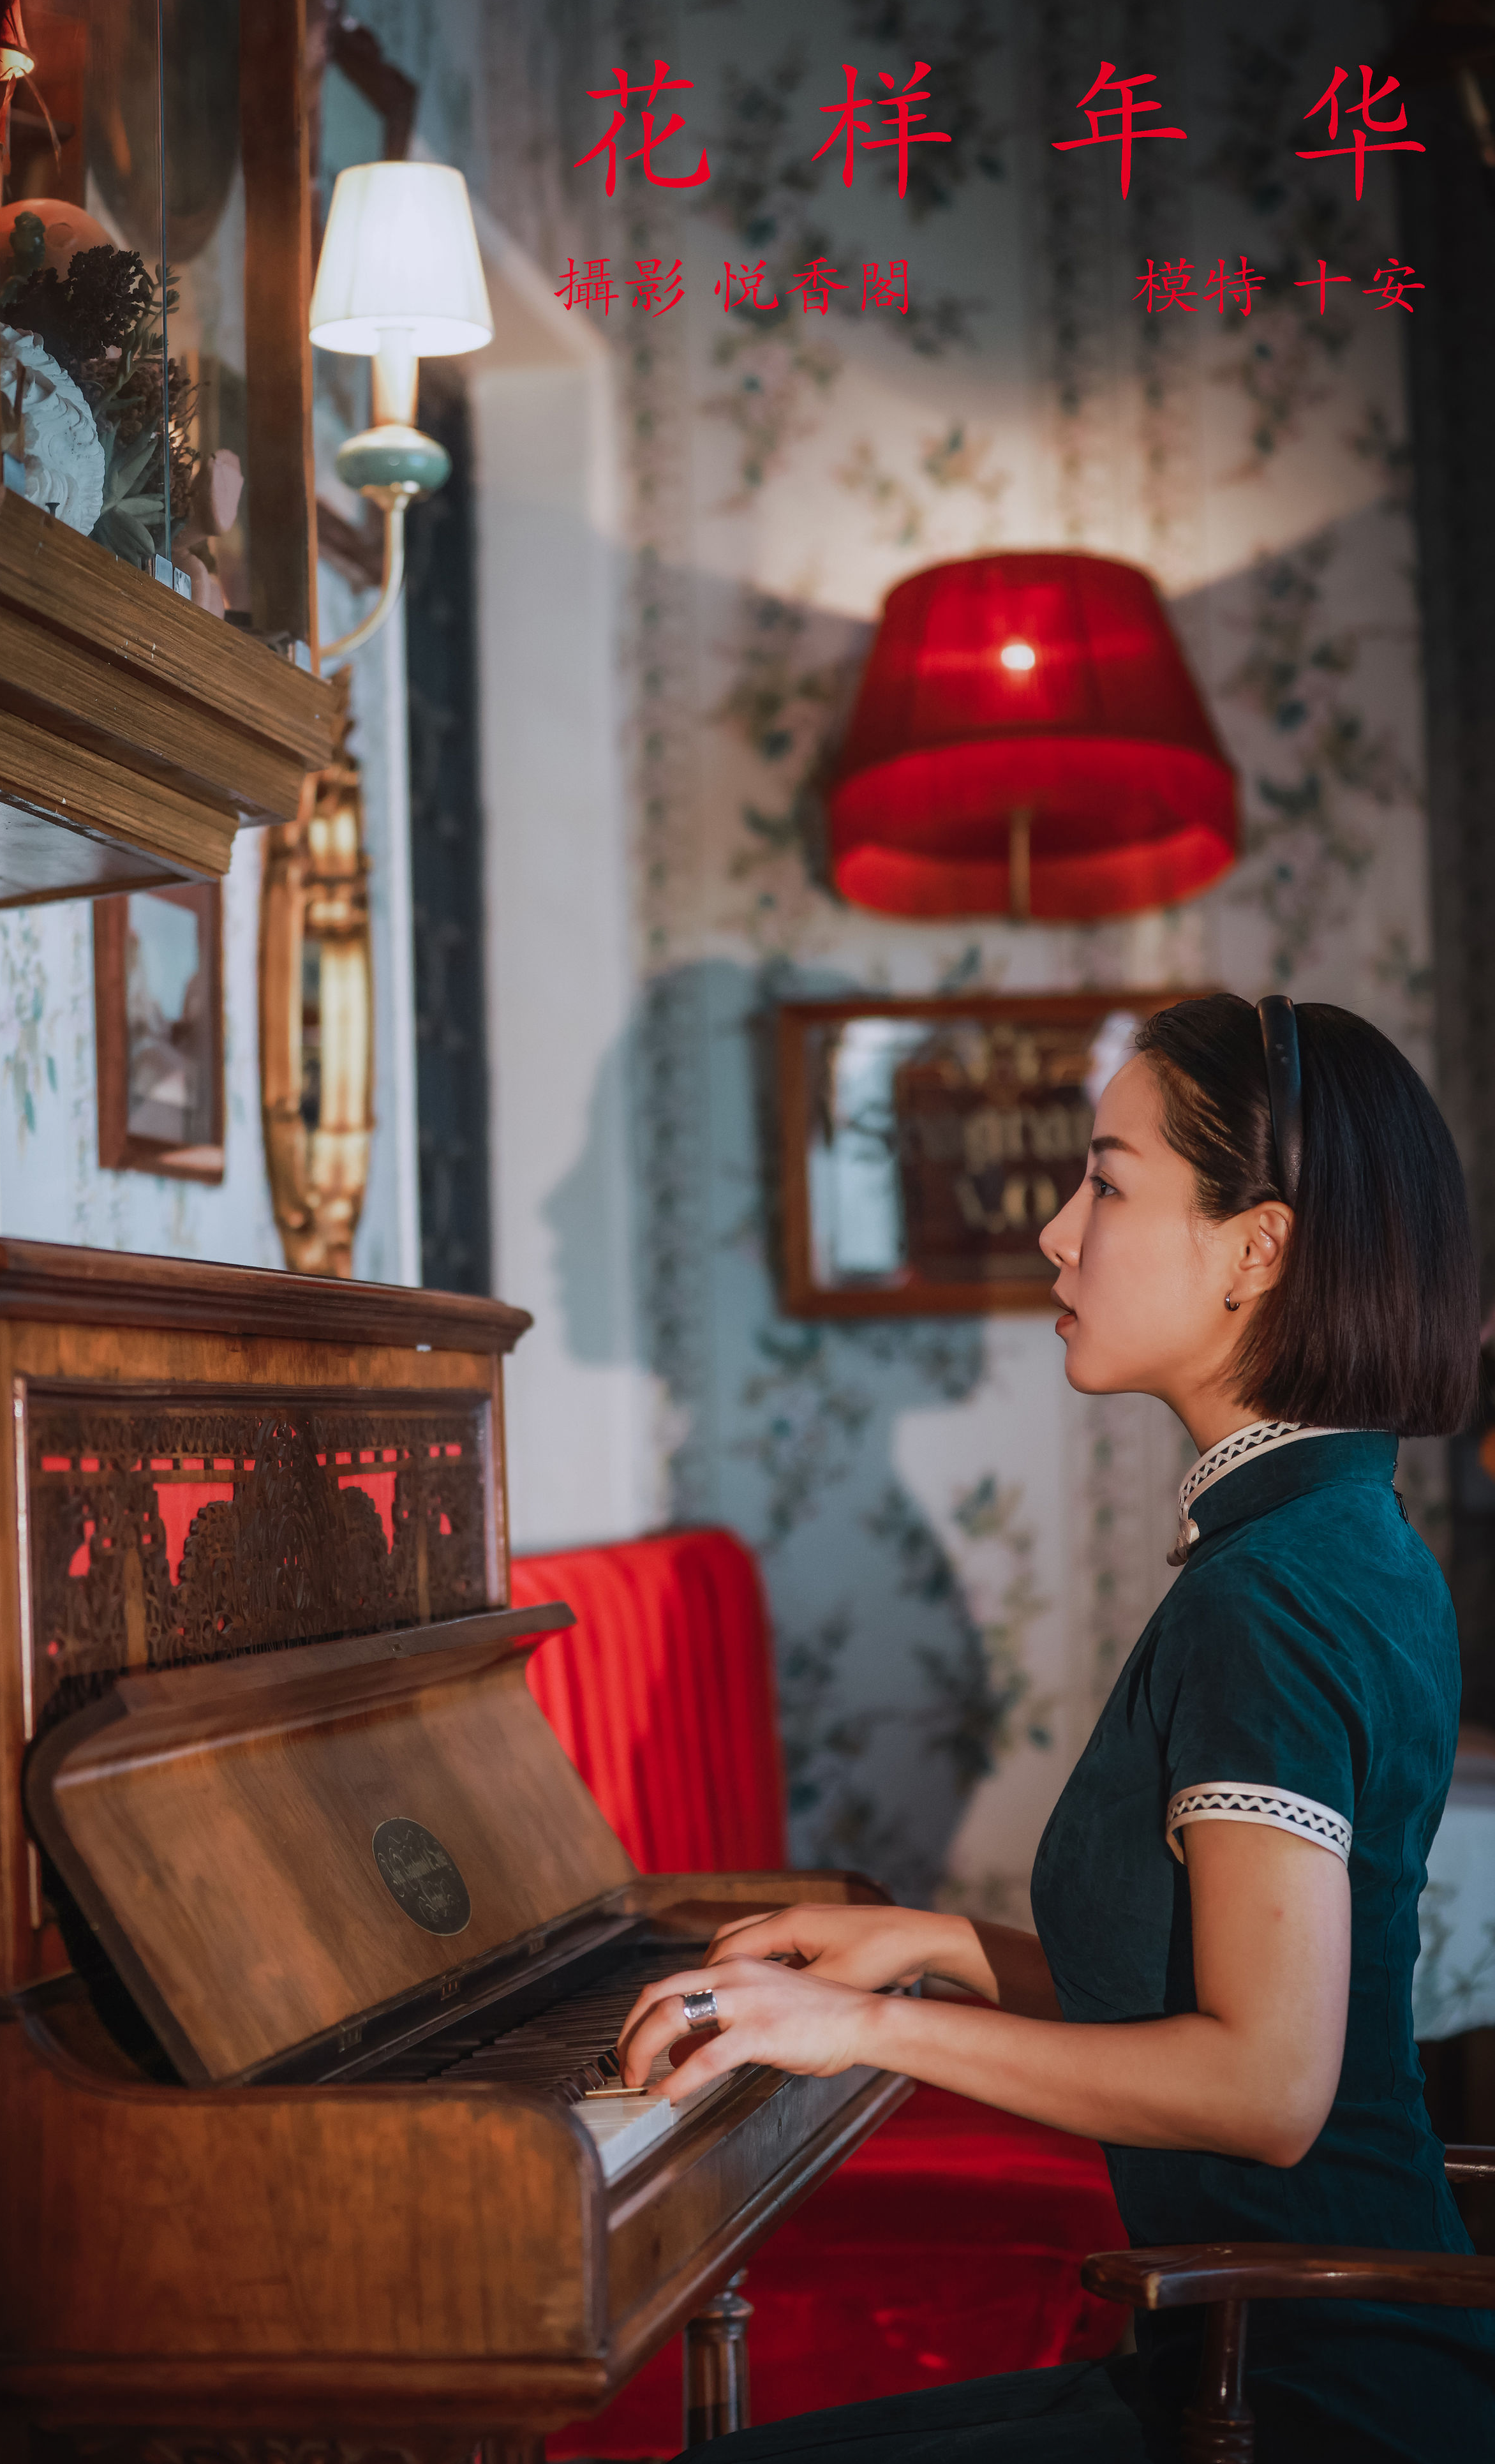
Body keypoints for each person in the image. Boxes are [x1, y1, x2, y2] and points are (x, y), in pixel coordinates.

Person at [620, 994, 1495, 2461]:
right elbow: (1217, 1994)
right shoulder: (1337, 1531)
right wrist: (941, 1950)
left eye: (1108, 1179)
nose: (1056, 1231)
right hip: (1279, 2345)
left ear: (1255, 1250)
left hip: (1314, 2387)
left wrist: (863, 2029)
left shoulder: (1271, 1595)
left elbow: (1264, 2088)